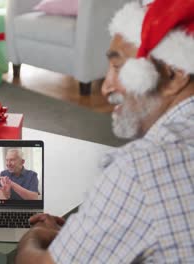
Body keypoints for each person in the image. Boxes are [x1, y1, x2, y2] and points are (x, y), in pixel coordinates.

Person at [15, 0, 194, 263]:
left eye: (119, 67)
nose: (106, 88)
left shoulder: (139, 170)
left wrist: (33, 237)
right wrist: (86, 233)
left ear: (174, 75)